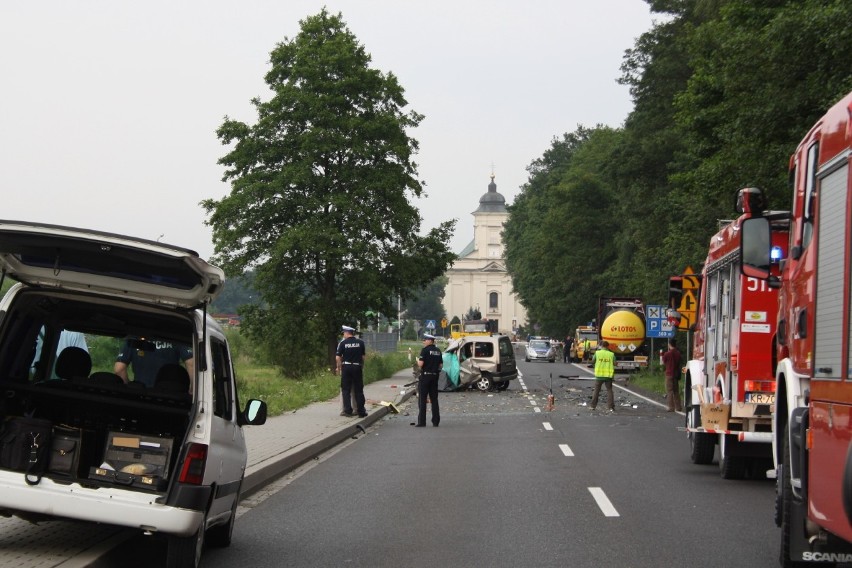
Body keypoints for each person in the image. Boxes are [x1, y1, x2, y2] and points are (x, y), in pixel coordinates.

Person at [114, 339, 193, 388]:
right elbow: (190, 363)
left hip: (141, 394)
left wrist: (128, 388)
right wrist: (193, 387)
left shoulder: (134, 340)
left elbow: (119, 369)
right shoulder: (173, 336)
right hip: (170, 394)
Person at [335, 325, 367, 418]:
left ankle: (348, 410)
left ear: (346, 333)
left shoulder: (343, 343)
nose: (343, 335)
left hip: (346, 367)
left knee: (346, 390)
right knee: (359, 390)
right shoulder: (360, 342)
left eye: (344, 333)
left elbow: (337, 357)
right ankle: (361, 411)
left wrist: (340, 367)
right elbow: (363, 357)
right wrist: (362, 366)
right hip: (357, 367)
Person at [416, 333, 443, 427]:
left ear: (430, 341)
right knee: (434, 399)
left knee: (422, 399)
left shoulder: (425, 350)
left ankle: (421, 422)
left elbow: (420, 364)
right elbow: (440, 365)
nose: (423, 341)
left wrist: (417, 360)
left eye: (425, 340)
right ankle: (436, 421)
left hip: (425, 377)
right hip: (435, 377)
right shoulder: (438, 351)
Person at [591, 340, 616, 411]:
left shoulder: (597, 353)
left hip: (599, 375)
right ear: (607, 346)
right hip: (608, 376)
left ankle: (593, 406)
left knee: (596, 390)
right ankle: (610, 406)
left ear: (601, 346)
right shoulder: (611, 354)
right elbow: (615, 363)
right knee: (609, 390)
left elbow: (593, 361)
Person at [662, 338, 683, 412]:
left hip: (669, 374)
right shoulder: (678, 353)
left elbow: (664, 361)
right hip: (676, 374)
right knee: (676, 391)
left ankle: (671, 407)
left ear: (669, 344)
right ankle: (679, 407)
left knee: (670, 391)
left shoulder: (667, 354)